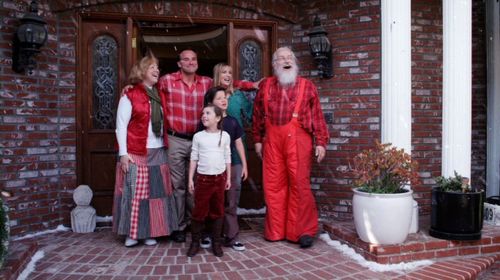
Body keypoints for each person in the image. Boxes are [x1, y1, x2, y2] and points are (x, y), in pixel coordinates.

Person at [155, 50, 257, 243]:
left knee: (197, 187)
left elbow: (229, 82)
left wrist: (251, 85)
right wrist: (131, 85)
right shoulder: (167, 80)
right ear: (179, 63)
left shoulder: (206, 83)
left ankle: (198, 227)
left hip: (198, 138)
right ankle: (179, 226)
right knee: (178, 186)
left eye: (194, 59)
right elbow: (149, 86)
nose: (190, 62)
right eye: (186, 59)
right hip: (176, 138)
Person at [252, 47, 329, 249]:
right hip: (272, 141)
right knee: (273, 186)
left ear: (294, 62)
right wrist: (258, 140)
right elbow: (258, 115)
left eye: (289, 57)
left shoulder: (307, 86)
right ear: (274, 64)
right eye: (281, 58)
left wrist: (321, 142)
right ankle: (276, 231)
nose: (286, 60)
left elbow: (318, 117)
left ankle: (302, 231)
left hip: (299, 139)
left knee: (299, 184)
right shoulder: (266, 86)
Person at [113, 53, 178, 247]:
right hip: (136, 151)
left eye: (157, 67)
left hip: (158, 150)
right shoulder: (130, 94)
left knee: (156, 195)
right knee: (135, 194)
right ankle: (133, 233)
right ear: (142, 72)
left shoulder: (159, 94)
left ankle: (151, 231)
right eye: (152, 68)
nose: (157, 70)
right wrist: (123, 153)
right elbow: (121, 125)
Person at [202, 85, 249, 251]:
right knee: (210, 200)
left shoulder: (233, 121)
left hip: (233, 164)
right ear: (210, 103)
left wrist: (244, 164)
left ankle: (231, 236)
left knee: (231, 200)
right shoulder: (205, 122)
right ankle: (208, 234)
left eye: (225, 97)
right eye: (219, 98)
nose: (224, 100)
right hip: (211, 167)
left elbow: (238, 143)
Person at [187, 104, 231, 257]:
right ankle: (195, 242)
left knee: (217, 211)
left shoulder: (224, 136)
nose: (203, 116)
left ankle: (216, 243)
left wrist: (229, 177)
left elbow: (227, 157)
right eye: (202, 113)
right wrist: (190, 179)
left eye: (208, 113)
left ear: (218, 118)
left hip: (219, 179)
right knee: (199, 212)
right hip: (203, 179)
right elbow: (194, 158)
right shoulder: (198, 136)